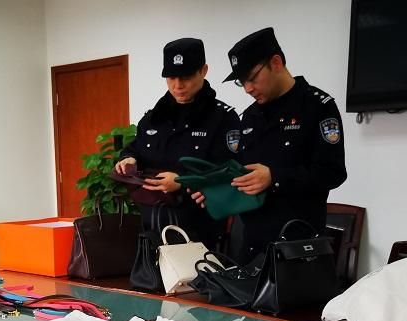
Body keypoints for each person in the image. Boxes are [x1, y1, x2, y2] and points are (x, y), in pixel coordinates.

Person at [196, 27, 346, 263]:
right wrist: (214, 191)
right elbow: (243, 175)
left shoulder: (317, 106)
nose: (248, 89)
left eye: (252, 78)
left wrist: (274, 177)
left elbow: (332, 172)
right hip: (253, 249)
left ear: (276, 63)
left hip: (298, 249)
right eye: (241, 82)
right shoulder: (250, 117)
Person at [115, 37, 242, 250]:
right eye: (171, 78)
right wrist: (128, 158)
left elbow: (230, 172)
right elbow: (136, 148)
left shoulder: (223, 118)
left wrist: (183, 182)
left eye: (186, 77)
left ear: (203, 71)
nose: (178, 85)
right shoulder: (153, 118)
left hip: (200, 233)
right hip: (153, 229)